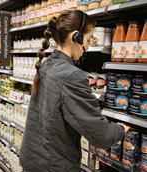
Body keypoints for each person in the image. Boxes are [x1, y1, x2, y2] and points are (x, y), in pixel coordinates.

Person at [19, 10, 129, 172]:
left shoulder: (47, 63)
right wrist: (121, 128)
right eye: (88, 39)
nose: (88, 46)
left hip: (33, 158)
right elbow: (102, 136)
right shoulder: (71, 76)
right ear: (75, 37)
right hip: (52, 166)